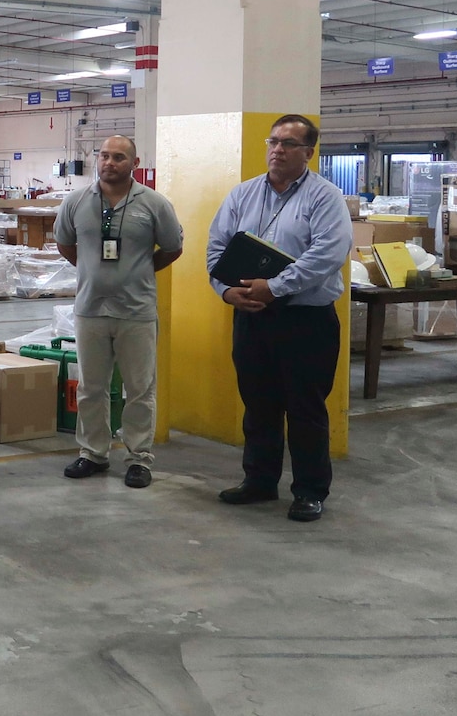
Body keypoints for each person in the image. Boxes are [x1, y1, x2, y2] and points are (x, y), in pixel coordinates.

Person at [206, 114, 351, 523]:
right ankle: (259, 481)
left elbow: (326, 255)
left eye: (288, 144)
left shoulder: (325, 198)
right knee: (258, 404)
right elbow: (216, 247)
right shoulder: (242, 195)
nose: (277, 150)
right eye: (273, 141)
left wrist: (275, 286)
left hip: (305, 321)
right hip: (252, 318)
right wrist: (226, 291)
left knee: (305, 409)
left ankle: (309, 491)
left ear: (309, 152)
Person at [54, 135, 184, 489]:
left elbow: (173, 247)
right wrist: (92, 272)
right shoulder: (77, 201)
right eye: (104, 156)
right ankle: (92, 454)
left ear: (134, 163)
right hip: (90, 309)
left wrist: (138, 272)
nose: (109, 163)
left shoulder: (154, 204)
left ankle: (139, 458)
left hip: (136, 311)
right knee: (91, 387)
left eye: (119, 157)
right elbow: (65, 242)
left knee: (139, 389)